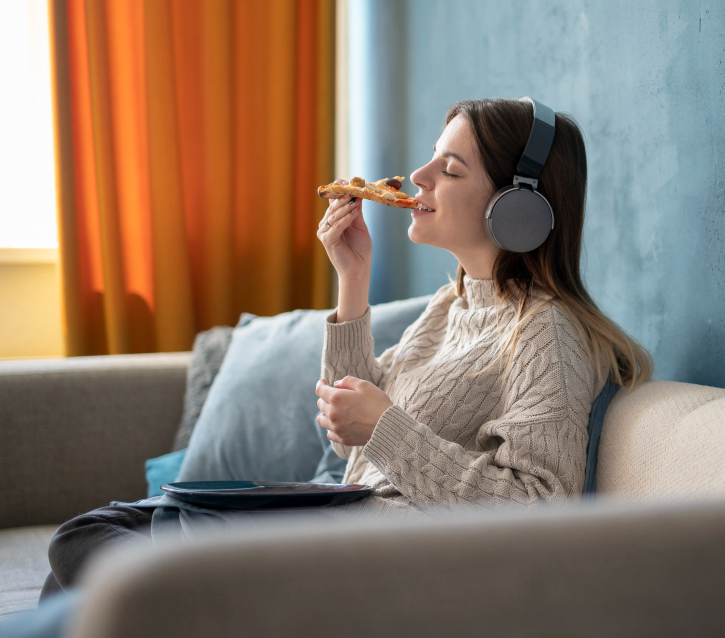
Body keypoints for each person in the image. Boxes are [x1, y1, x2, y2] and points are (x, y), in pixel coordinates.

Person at [25, 97, 652, 618]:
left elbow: (542, 511)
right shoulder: (450, 306)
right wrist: (353, 283)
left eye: (452, 169)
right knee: (78, 566)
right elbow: (349, 452)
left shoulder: (547, 333)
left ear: (516, 207)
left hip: (367, 559)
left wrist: (384, 426)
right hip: (336, 517)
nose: (420, 176)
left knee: (82, 547)